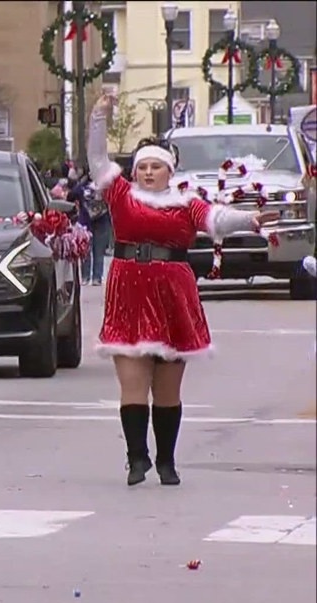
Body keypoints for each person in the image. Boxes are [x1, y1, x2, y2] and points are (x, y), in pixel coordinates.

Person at [87, 93, 277, 487]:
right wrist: (99, 117)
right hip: (129, 290)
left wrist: (251, 219)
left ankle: (167, 461)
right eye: (143, 167)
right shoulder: (121, 195)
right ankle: (136, 459)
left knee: (168, 388)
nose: (149, 172)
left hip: (173, 292)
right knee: (133, 383)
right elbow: (98, 161)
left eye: (157, 166)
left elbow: (217, 219)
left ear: (169, 171)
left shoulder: (187, 203)